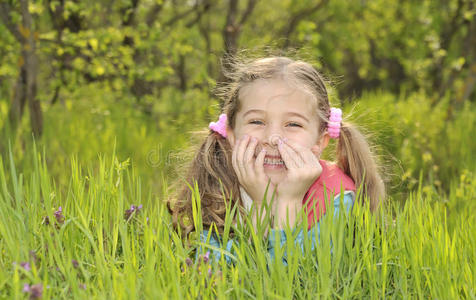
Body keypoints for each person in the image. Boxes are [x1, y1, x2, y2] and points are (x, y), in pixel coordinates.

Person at [167, 56, 385, 265]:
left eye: (293, 124)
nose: (273, 138)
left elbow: (299, 282)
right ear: (231, 135)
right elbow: (219, 276)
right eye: (257, 121)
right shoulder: (218, 188)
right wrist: (260, 207)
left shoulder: (336, 198)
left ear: (320, 140)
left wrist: (288, 203)